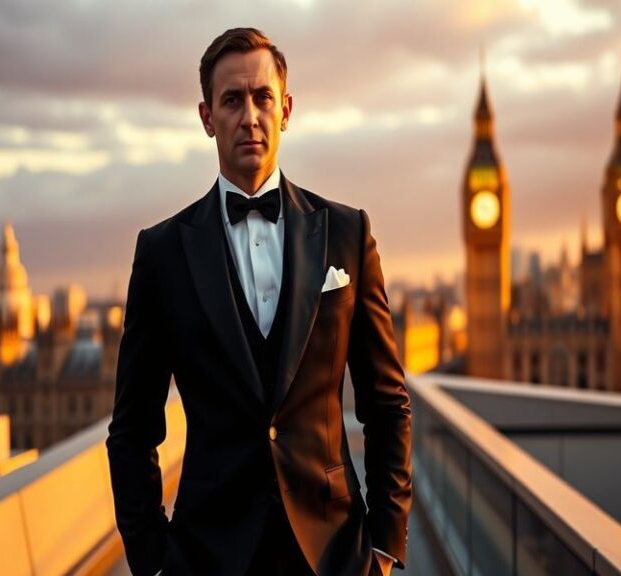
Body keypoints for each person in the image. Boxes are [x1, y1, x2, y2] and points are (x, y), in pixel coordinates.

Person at [106, 27, 412, 576]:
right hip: (207, 557)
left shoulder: (347, 233)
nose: (250, 115)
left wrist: (385, 544)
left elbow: (387, 403)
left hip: (335, 556)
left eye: (262, 97)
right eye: (232, 100)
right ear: (206, 118)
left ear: (286, 109)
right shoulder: (162, 253)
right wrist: (153, 562)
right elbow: (132, 430)